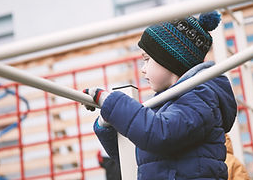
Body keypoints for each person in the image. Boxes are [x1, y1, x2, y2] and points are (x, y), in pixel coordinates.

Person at [83, 11, 237, 180]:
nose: (143, 68)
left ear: (171, 61)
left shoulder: (200, 98)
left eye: (147, 59)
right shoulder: (167, 103)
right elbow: (132, 155)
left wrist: (112, 102)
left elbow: (160, 134)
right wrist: (108, 122)